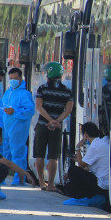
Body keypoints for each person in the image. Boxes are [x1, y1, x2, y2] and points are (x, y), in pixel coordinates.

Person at [34, 61, 74, 190]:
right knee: (53, 156)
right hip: (56, 127)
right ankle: (51, 184)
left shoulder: (42, 88)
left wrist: (49, 120)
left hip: (42, 125)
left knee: (39, 154)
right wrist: (56, 121)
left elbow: (39, 107)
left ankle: (41, 182)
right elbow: (68, 110)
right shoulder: (67, 91)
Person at [2, 67, 35, 185]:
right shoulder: (8, 92)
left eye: (15, 78)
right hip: (6, 128)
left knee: (18, 154)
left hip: (18, 129)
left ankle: (19, 180)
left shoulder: (25, 94)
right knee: (4, 154)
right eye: (11, 78)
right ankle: (1, 178)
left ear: (21, 79)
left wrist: (15, 111)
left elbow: (30, 111)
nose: (12, 81)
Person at [63, 121, 109, 206]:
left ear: (85, 135)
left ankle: (84, 197)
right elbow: (88, 166)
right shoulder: (102, 142)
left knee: (72, 170)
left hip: (101, 185)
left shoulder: (95, 146)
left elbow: (81, 164)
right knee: (69, 184)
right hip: (105, 183)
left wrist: (77, 148)